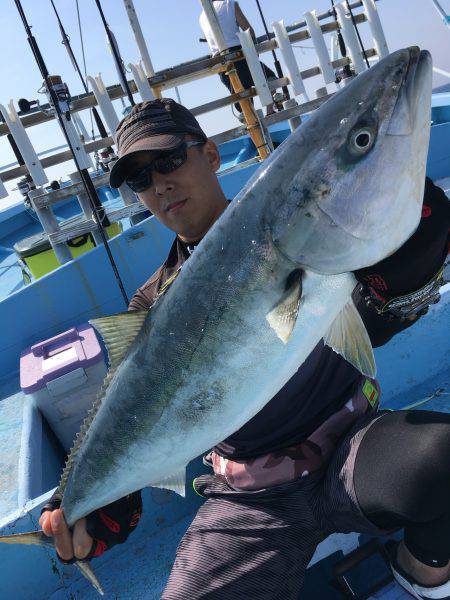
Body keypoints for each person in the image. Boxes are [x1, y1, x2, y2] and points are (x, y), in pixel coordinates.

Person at [40, 99, 450, 600]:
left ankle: (420, 575)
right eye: (141, 180)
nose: (160, 185)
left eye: (168, 161)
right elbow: (132, 413)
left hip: (352, 445)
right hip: (252, 498)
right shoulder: (151, 304)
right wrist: (89, 503)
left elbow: (376, 313)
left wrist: (410, 271)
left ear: (211, 154)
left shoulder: (297, 222)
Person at [199, 0, 279, 116]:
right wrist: (254, 53)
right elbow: (249, 31)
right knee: (271, 80)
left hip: (219, 63)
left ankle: (253, 121)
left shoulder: (202, 16)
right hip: (238, 56)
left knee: (242, 98)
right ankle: (270, 112)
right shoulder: (228, 3)